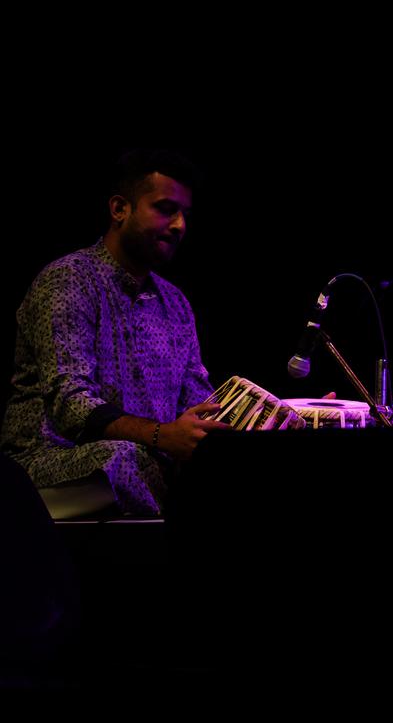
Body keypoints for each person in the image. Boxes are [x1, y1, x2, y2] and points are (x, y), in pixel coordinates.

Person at [0, 150, 226, 517]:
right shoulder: (68, 280)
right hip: (50, 460)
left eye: (185, 214)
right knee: (122, 458)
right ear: (120, 209)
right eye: (166, 208)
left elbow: (198, 399)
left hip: (150, 461)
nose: (179, 225)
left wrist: (278, 419)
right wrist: (162, 436)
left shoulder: (175, 302)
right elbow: (71, 403)